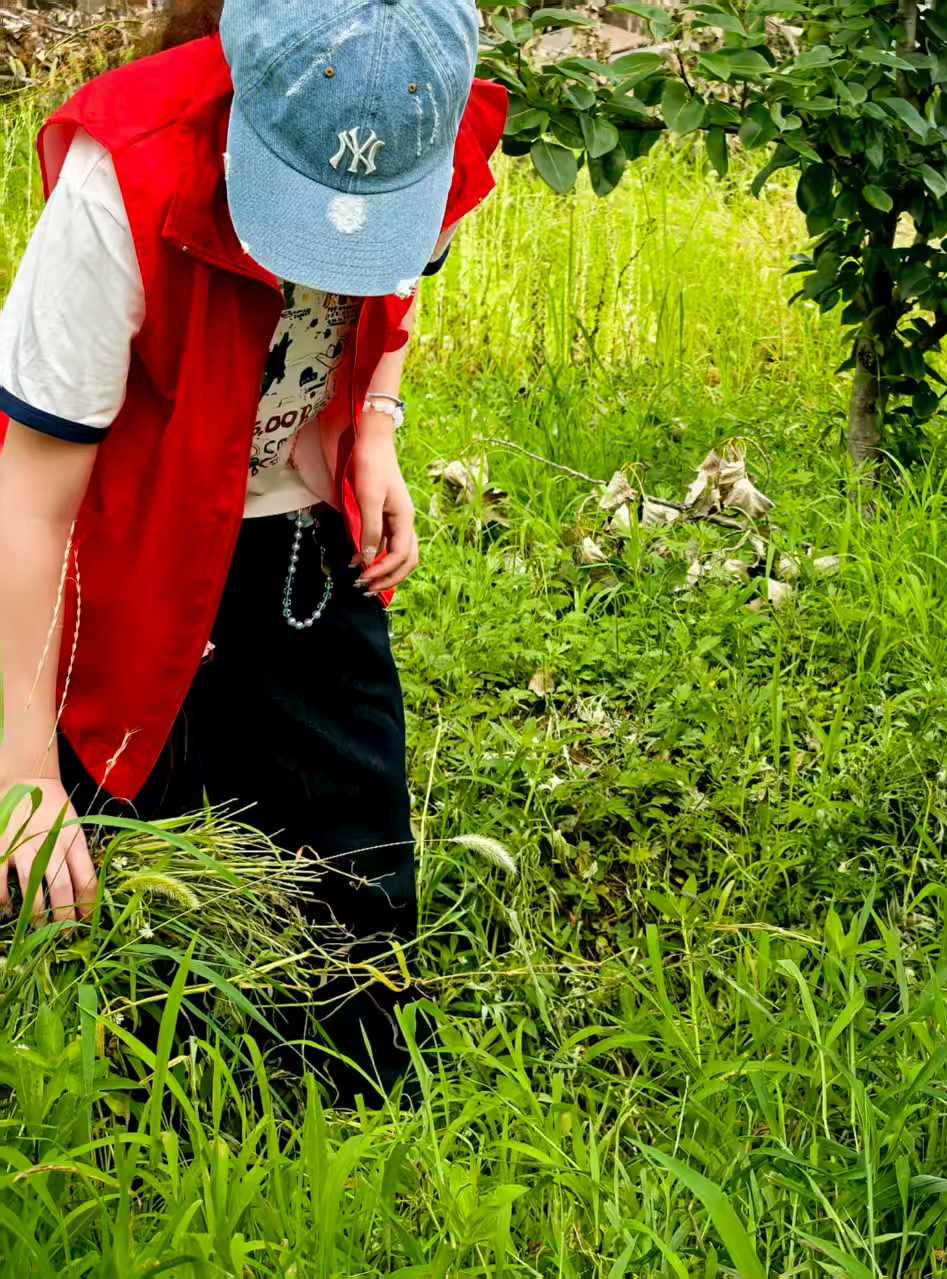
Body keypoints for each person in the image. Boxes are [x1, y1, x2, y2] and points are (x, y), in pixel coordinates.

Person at [0, 0, 507, 1098]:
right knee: (99, 897)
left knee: (355, 910)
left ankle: (357, 1144)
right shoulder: (124, 178)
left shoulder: (426, 117)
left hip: (293, 536)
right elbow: (31, 501)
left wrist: (374, 419)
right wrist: (25, 778)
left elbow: (395, 282)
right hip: (118, 549)